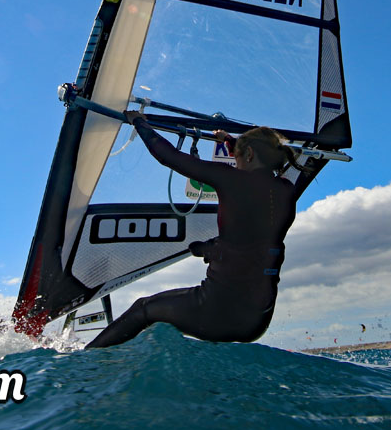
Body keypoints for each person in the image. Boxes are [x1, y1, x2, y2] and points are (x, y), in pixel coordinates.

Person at [85, 110, 297, 348]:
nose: (235, 165)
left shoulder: (232, 179)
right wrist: (229, 141)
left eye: (236, 160)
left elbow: (170, 157)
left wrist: (139, 123)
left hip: (218, 310)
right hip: (258, 320)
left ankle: (83, 364)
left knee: (142, 309)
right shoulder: (286, 190)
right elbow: (249, 237)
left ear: (248, 154)